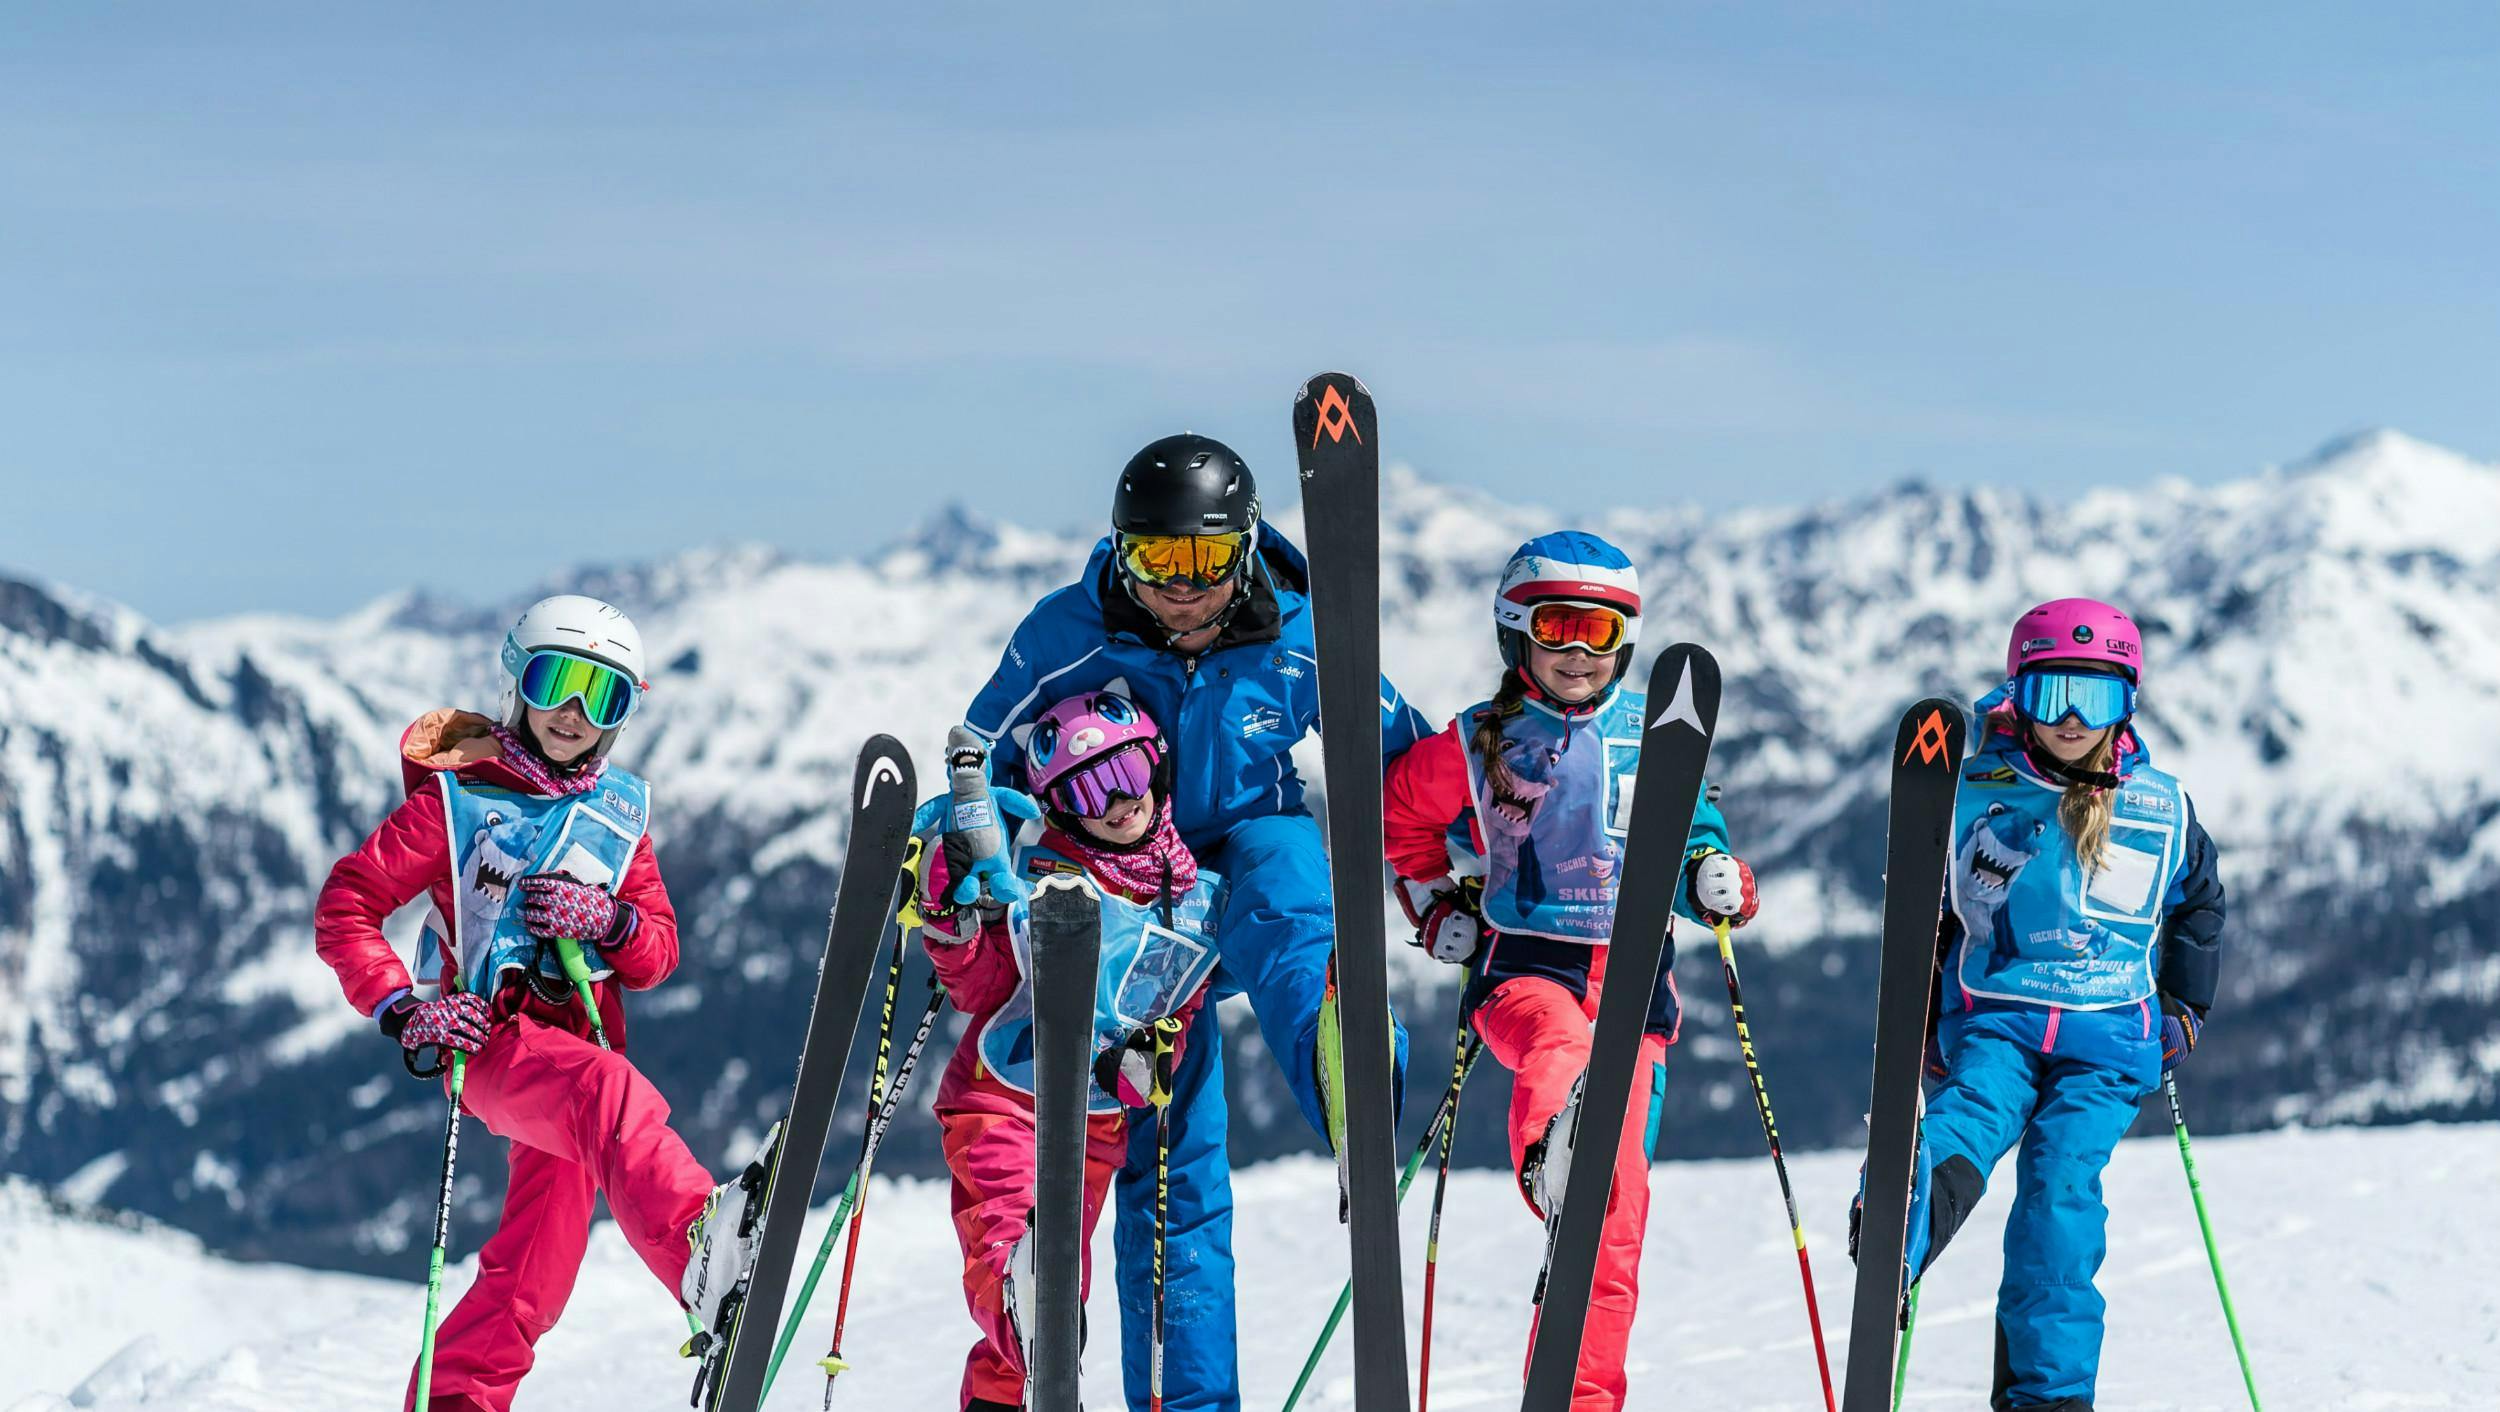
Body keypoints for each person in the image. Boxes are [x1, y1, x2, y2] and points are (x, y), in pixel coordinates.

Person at [960, 433, 1432, 1411]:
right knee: (1178, 1180)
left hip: (1242, 851)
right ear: (1122, 554)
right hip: (1131, 903)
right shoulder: (1066, 632)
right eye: (1158, 562)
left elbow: (1397, 757)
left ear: (1245, 549)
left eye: (1205, 561)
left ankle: (1345, 1072)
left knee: (1289, 876)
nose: (1183, 589)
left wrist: (1481, 821)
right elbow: (980, 753)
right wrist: (979, 843)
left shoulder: (1299, 631)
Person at [312, 594, 762, 1412]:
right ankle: (700, 1246)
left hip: (574, 1060)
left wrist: (614, 920)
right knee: (608, 1091)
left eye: (604, 696)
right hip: (489, 1044)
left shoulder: (619, 816)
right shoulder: (453, 806)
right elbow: (347, 906)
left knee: (530, 1283)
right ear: (520, 680)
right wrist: (405, 1011)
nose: (573, 713)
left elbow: (658, 952)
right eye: (558, 681)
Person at [1381, 531, 1761, 1412]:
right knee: (1557, 1042)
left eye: (1601, 631)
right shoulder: (1477, 742)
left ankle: (1582, 1398)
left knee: (1616, 1226)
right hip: (1523, 970)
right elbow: (1401, 820)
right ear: (1517, 629)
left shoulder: (1654, 739)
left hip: (1636, 997)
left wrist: (1720, 882)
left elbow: (1698, 838)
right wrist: (1438, 907)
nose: (1579, 653)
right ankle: (1555, 1156)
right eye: (1558, 627)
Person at [1884, 597, 2225, 1412]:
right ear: (2019, 695)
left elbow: (2200, 906)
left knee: (2060, 1196)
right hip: (1997, 1017)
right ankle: (1901, 1215)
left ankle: (2050, 1396)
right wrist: (1922, 1007)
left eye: (2095, 698)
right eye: (2051, 695)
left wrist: (2182, 1006)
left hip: (2107, 1043)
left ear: (2128, 703)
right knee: (1972, 1114)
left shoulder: (2161, 805)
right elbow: (1926, 914)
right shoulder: (1971, 790)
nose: (2072, 719)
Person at [911, 688, 1223, 1412]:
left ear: (1159, 769)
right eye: (1089, 787)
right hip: (1003, 1103)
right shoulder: (1038, 878)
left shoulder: (1195, 895)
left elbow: (1179, 1006)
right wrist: (953, 919)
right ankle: (1027, 1304)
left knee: (1055, 1286)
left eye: (1130, 773)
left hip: (1093, 1132)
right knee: (1011, 1242)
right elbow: (981, 983)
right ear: (1061, 806)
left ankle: (1026, 1343)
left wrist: (1146, 1062)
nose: (1118, 801)